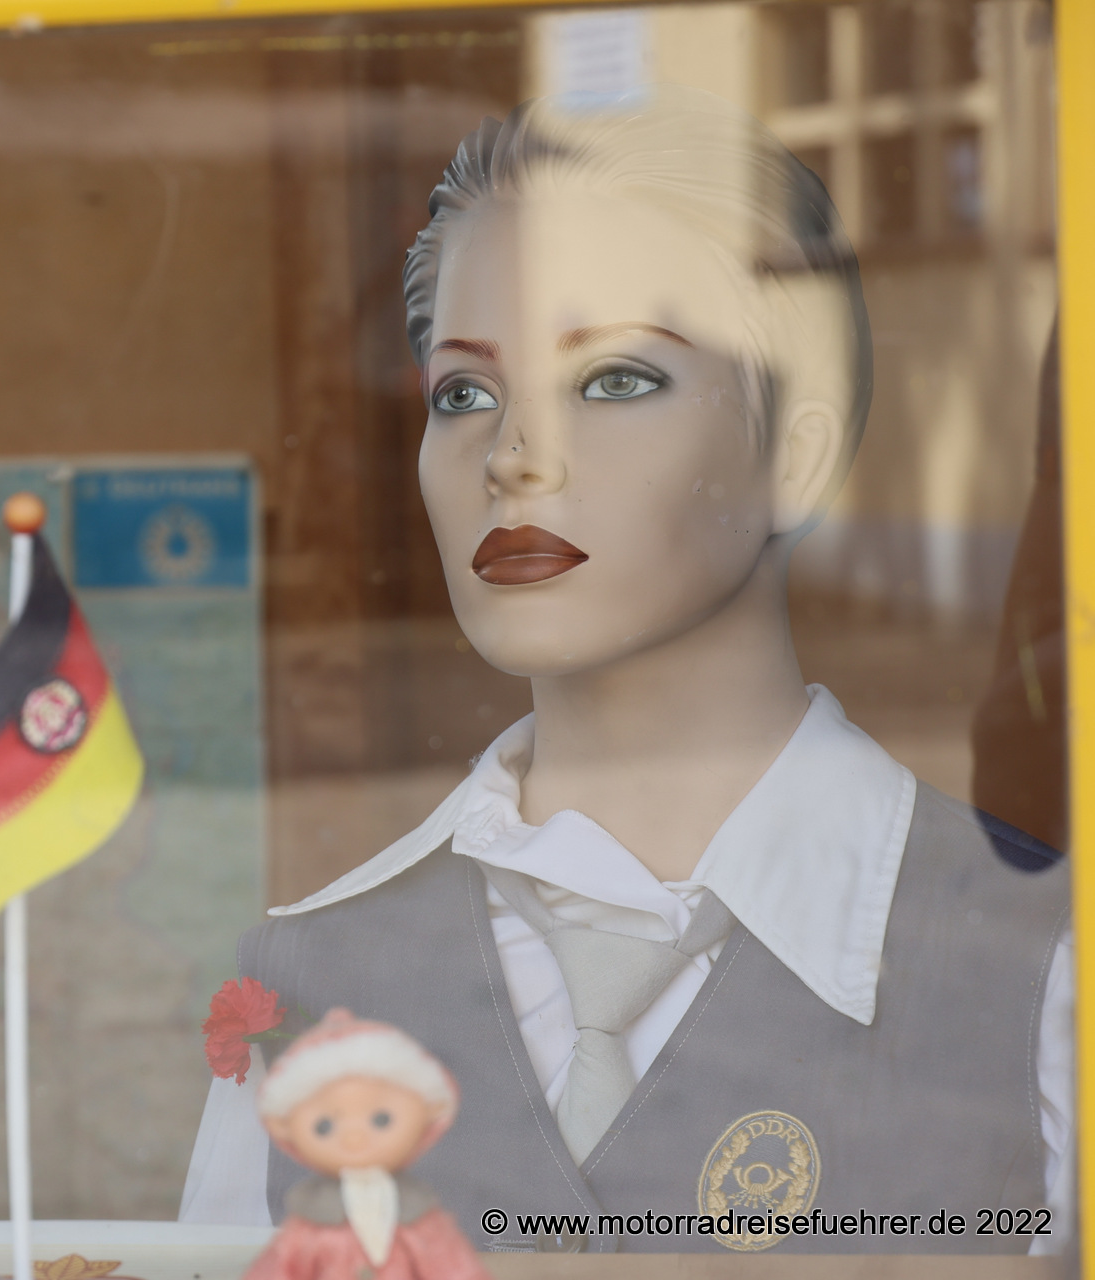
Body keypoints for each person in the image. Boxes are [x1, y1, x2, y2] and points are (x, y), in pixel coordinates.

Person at [180, 87, 1071, 1256]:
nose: (513, 456)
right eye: (464, 392)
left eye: (613, 378)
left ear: (794, 451)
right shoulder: (309, 975)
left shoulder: (1043, 967)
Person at [241, 1009, 489, 1280]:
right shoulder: (308, 1227)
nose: (354, 1138)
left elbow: (453, 1269)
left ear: (429, 1110)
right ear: (285, 1127)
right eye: (324, 1126)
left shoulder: (418, 1219)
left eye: (381, 1120)